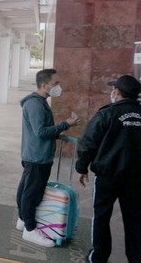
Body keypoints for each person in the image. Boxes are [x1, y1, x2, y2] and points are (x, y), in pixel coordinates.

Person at [75, 75, 141, 263]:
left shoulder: (106, 114)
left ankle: (99, 257)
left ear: (117, 92)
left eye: (114, 89)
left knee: (101, 217)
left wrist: (82, 167)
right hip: (136, 179)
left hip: (107, 177)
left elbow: (88, 142)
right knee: (135, 220)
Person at [15, 68, 80, 247]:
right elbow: (40, 132)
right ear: (45, 85)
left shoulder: (40, 102)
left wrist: (58, 134)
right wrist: (65, 124)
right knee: (32, 194)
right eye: (56, 83)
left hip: (36, 154)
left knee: (25, 189)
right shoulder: (35, 104)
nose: (58, 86)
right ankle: (30, 229)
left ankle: (22, 220)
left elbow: (40, 130)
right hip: (37, 156)